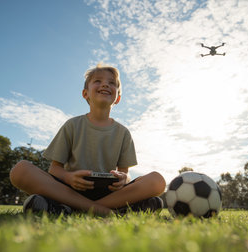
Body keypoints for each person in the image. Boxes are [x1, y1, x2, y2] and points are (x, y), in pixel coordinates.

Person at [9, 63, 166, 216]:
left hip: (110, 194)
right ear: (85, 93)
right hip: (70, 189)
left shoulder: (123, 132)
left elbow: (125, 173)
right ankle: (108, 211)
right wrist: (69, 177)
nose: (105, 84)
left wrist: (124, 178)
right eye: (98, 81)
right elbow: (54, 169)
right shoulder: (72, 125)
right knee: (20, 170)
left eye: (112, 83)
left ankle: (70, 209)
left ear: (117, 97)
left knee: (157, 181)